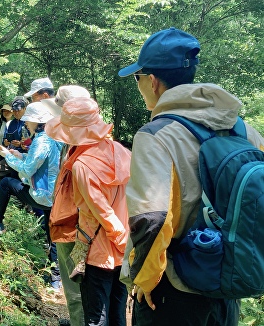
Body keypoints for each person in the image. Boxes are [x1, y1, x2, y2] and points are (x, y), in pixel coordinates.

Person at [118, 27, 264, 325]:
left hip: (174, 289)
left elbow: (152, 219)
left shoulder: (156, 135)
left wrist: (142, 281)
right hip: (227, 284)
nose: (139, 84)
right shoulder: (245, 130)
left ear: (153, 81)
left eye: (138, 77)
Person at [46, 97, 131, 326]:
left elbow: (102, 212)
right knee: (117, 312)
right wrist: (128, 245)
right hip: (122, 250)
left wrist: (119, 239)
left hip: (98, 251)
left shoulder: (82, 165)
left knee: (96, 316)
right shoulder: (121, 152)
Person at [43, 84, 91, 325]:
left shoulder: (86, 149)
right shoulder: (76, 143)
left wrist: (82, 243)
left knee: (76, 292)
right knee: (77, 291)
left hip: (76, 229)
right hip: (70, 225)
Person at [0, 102, 61, 234]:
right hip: (53, 194)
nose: (26, 123)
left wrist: (7, 156)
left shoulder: (41, 141)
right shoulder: (50, 137)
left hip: (42, 194)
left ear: (36, 121)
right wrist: (20, 155)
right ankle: (53, 254)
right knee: (52, 236)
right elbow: (40, 161)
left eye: (27, 120)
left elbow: (27, 171)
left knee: (6, 183)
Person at [0, 97, 29, 187]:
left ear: (25, 109)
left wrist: (22, 144)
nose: (16, 113)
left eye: (18, 110)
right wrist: (6, 143)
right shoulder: (11, 123)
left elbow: (34, 141)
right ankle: (1, 193)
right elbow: (5, 139)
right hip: (11, 154)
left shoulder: (30, 122)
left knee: (20, 180)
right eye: (14, 110)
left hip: (25, 157)